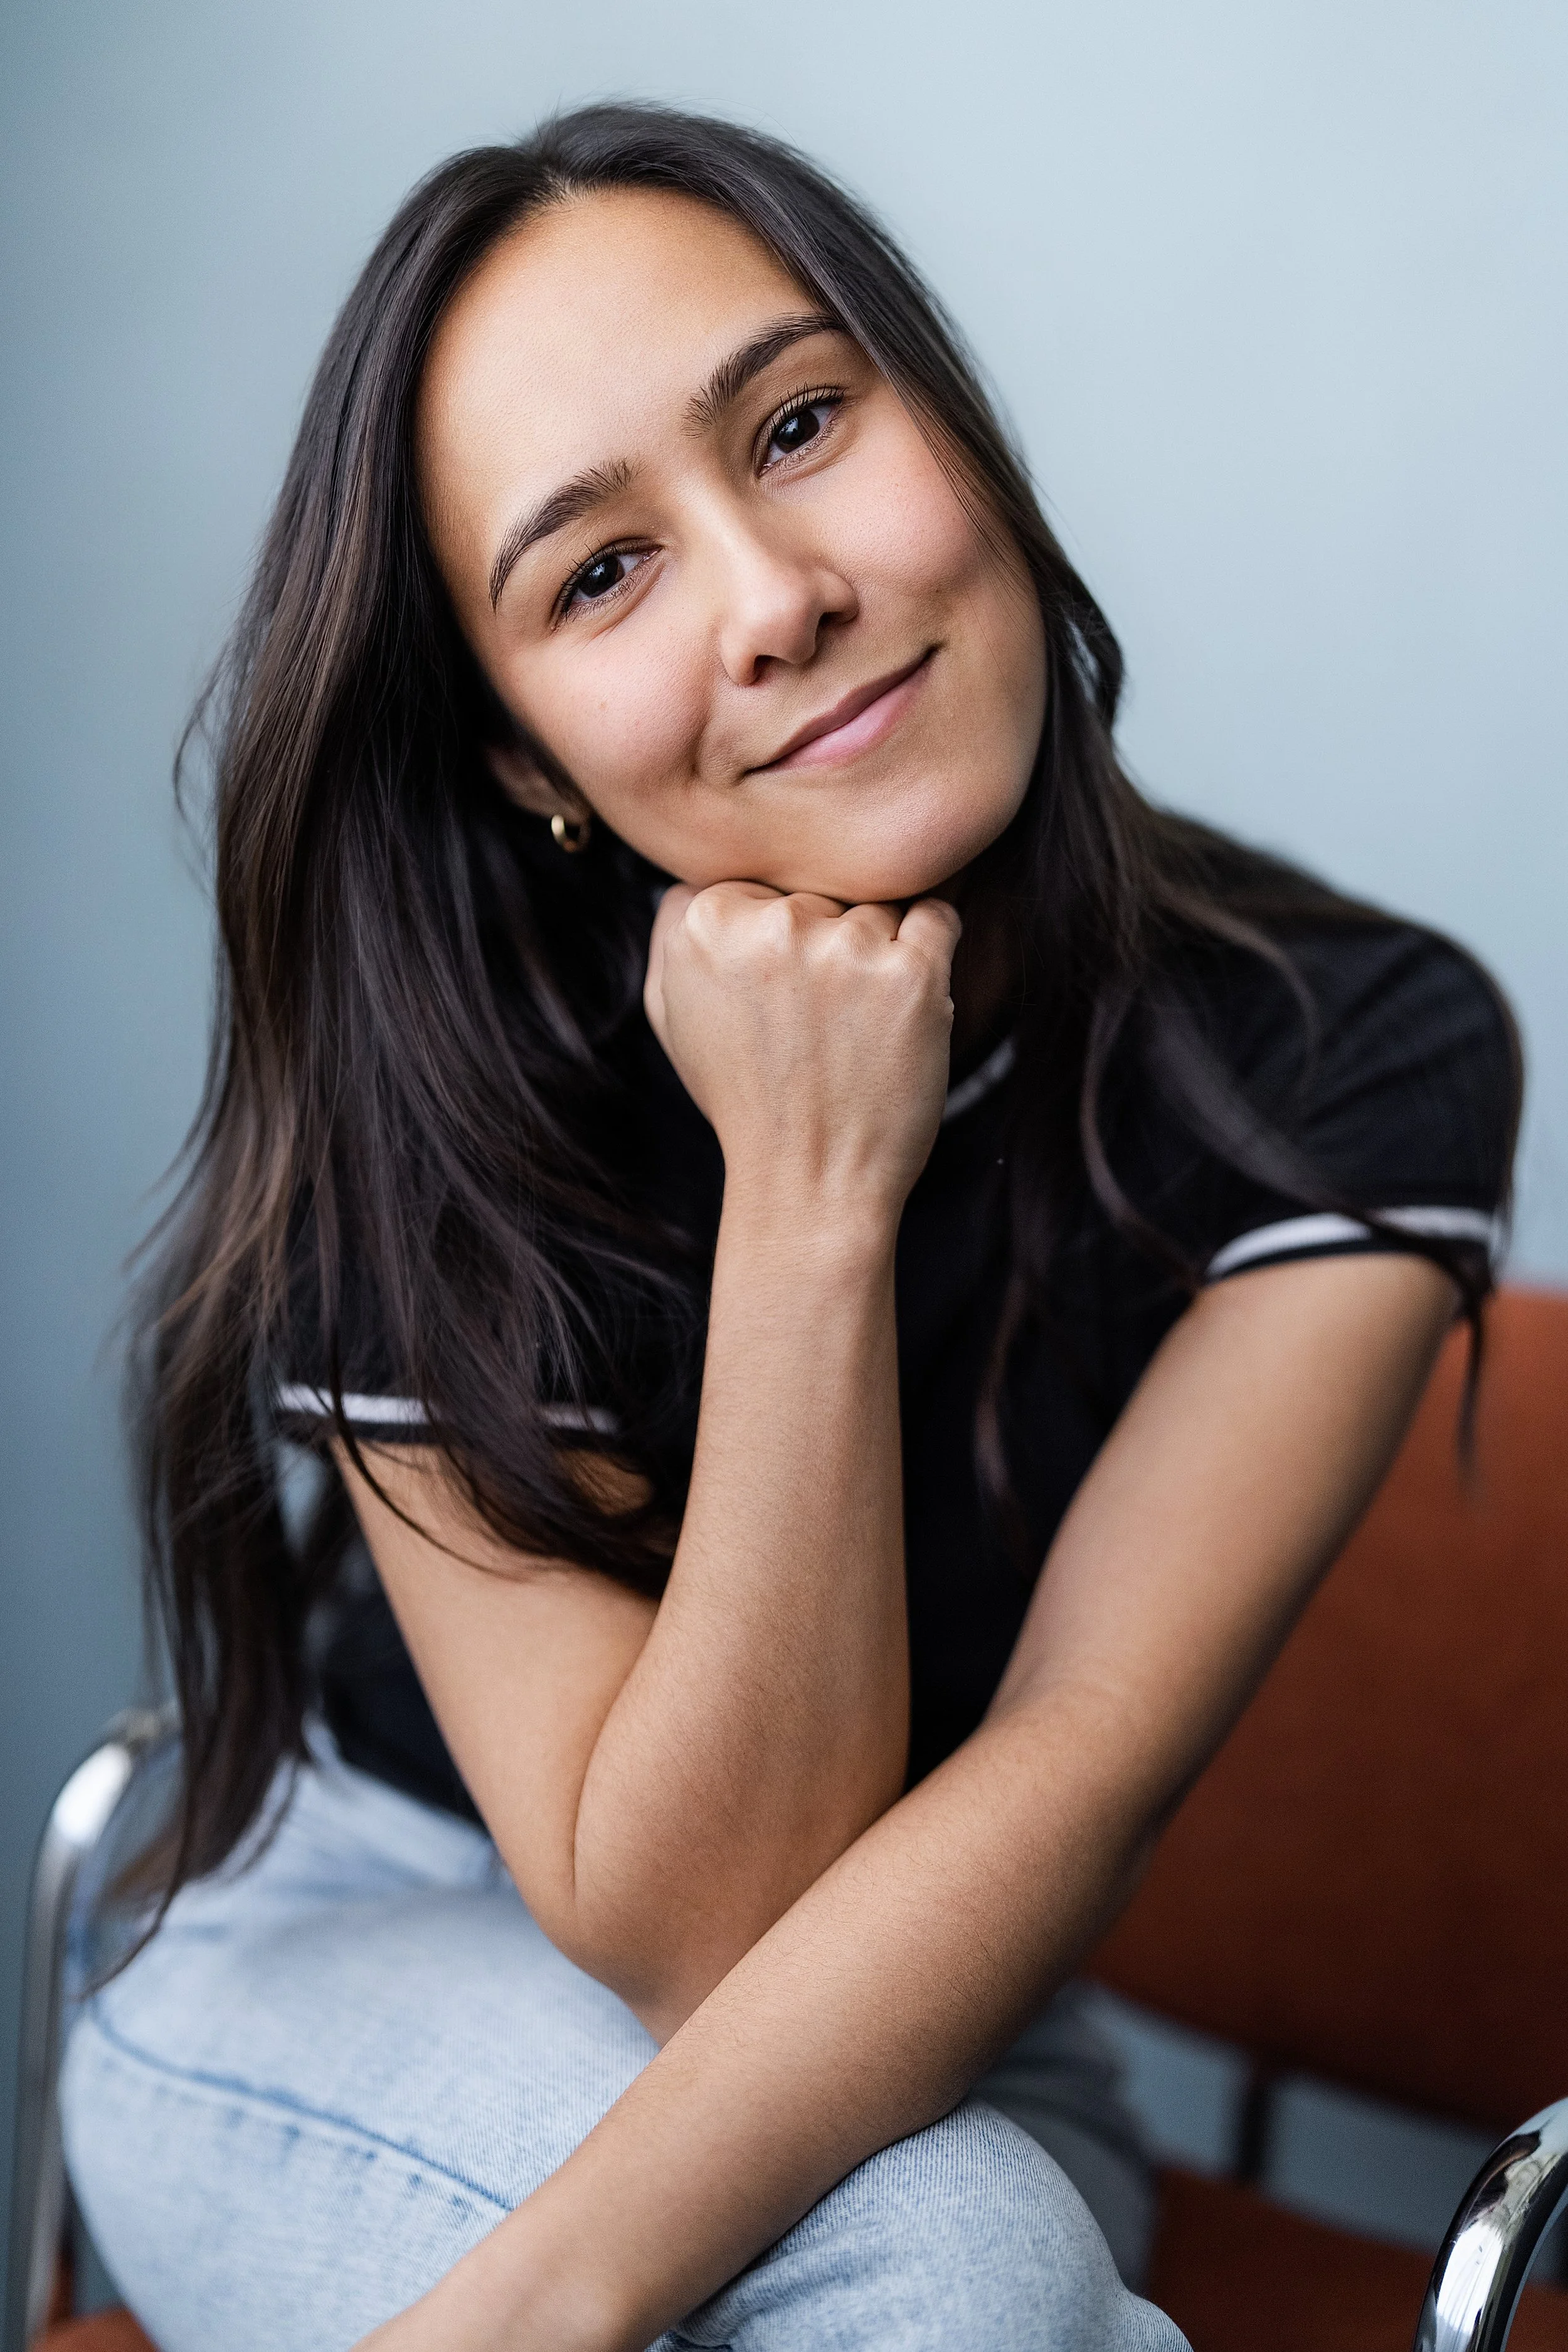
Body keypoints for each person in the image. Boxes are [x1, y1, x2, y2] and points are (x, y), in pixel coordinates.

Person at [60, 103, 1518, 2352]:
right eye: (598, 574)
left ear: (954, 420)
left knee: (966, 2260)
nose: (775, 598)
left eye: (805, 422)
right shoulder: (447, 1079)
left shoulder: (1342, 1044)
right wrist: (808, 1198)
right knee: (959, 2273)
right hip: (357, 1941)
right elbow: (690, 1913)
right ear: (527, 753)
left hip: (949, 1992)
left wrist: (518, 2314)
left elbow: (1069, 1772)